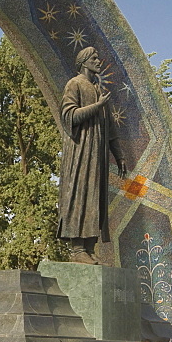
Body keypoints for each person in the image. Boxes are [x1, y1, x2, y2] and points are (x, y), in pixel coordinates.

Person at [56, 47, 126, 264]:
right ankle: (77, 249)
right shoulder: (75, 84)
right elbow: (69, 116)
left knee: (95, 196)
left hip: (97, 154)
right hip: (80, 152)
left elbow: (111, 130)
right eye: (94, 58)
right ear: (84, 62)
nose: (98, 61)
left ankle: (89, 247)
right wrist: (98, 106)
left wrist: (119, 156)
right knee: (80, 194)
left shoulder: (98, 90)